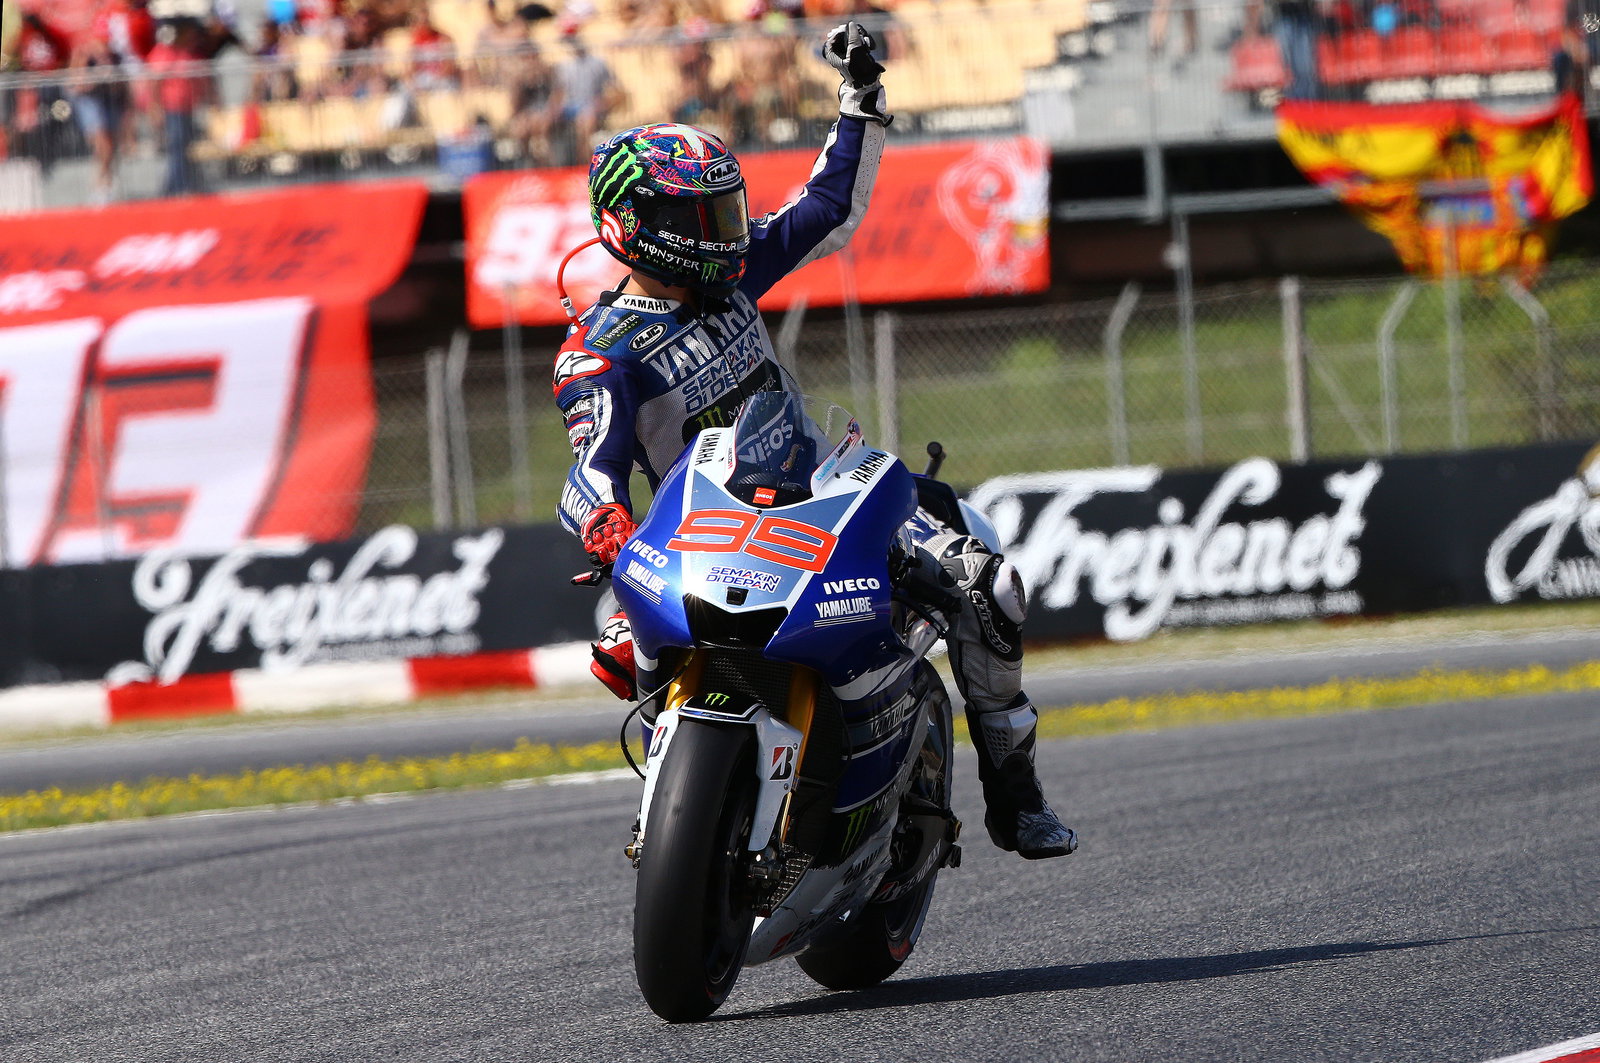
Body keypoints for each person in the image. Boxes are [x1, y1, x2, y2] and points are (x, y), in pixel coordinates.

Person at [551, 22, 1077, 861]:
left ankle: (1016, 796)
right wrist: (607, 520)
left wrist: (858, 99)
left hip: (824, 490)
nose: (728, 228)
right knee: (622, 639)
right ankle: (672, 800)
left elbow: (828, 207)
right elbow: (590, 469)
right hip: (706, 532)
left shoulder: (727, 280)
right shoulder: (600, 352)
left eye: (727, 207)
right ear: (635, 223)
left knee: (988, 584)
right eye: (705, 214)